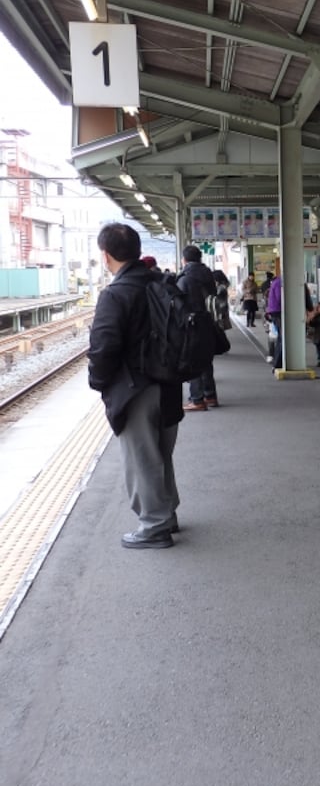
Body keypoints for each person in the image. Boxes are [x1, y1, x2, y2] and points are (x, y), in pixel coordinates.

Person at [87, 223, 183, 549]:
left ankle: (154, 526)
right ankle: (166, 515)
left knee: (141, 458)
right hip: (169, 383)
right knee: (160, 453)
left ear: (106, 255)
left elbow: (103, 347)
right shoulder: (163, 283)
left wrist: (98, 382)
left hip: (135, 387)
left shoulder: (115, 294)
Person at [179, 245, 218, 410]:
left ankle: (197, 400)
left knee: (192, 360)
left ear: (184, 259)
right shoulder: (207, 273)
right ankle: (210, 396)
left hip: (192, 323)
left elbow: (180, 303)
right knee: (206, 360)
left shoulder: (186, 277)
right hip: (207, 321)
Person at [266, 274, 314, 372]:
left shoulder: (277, 282)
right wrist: (310, 309)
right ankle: (278, 364)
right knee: (284, 337)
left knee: (282, 337)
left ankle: (279, 362)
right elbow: (282, 299)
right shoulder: (286, 283)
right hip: (281, 312)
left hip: (276, 312)